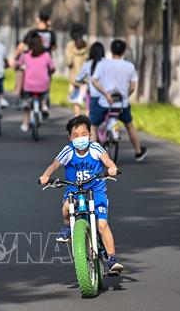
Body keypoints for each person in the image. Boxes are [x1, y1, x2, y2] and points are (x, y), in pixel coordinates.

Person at [38, 115, 123, 275]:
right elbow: (54, 165)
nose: (80, 138)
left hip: (96, 191)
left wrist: (112, 167)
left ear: (90, 134)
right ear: (70, 138)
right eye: (75, 136)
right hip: (74, 191)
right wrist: (45, 176)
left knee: (102, 225)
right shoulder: (68, 151)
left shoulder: (96, 148)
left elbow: (107, 160)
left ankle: (112, 259)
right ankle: (67, 227)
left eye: (84, 134)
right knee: (65, 208)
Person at [91, 39, 147, 161]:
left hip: (105, 103)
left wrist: (106, 93)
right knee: (129, 125)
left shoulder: (102, 64)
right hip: (122, 105)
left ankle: (93, 156)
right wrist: (125, 95)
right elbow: (133, 87)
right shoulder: (129, 66)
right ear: (124, 51)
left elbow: (94, 81)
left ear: (111, 50)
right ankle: (138, 152)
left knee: (93, 126)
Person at [15, 33, 55, 133]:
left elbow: (18, 65)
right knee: (45, 90)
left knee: (27, 105)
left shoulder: (26, 56)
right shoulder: (46, 55)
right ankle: (44, 104)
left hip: (29, 86)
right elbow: (53, 68)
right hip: (42, 86)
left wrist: (18, 67)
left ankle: (25, 123)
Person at [64, 23, 89, 116]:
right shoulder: (86, 46)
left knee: (79, 103)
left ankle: (80, 122)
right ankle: (84, 122)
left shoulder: (70, 47)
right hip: (83, 80)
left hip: (78, 80)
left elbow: (68, 62)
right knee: (84, 103)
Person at [74, 42, 105, 116]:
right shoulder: (106, 63)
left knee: (88, 110)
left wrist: (82, 81)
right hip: (105, 93)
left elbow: (78, 78)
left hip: (92, 93)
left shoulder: (88, 63)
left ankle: (85, 124)